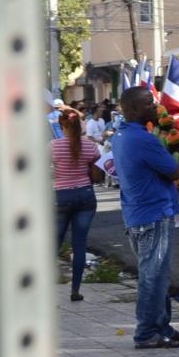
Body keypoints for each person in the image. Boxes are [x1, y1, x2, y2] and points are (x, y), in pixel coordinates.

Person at [109, 87, 179, 350]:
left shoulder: (121, 135)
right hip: (153, 213)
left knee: (158, 275)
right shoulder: (143, 139)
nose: (155, 107)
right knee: (153, 277)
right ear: (132, 109)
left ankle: (162, 326)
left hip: (138, 212)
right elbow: (172, 171)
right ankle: (146, 333)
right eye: (148, 103)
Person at [52, 107, 100, 301]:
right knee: (79, 244)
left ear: (62, 126)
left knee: (54, 242)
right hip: (85, 195)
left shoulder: (53, 146)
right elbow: (96, 175)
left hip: (61, 196)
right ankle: (75, 290)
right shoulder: (90, 146)